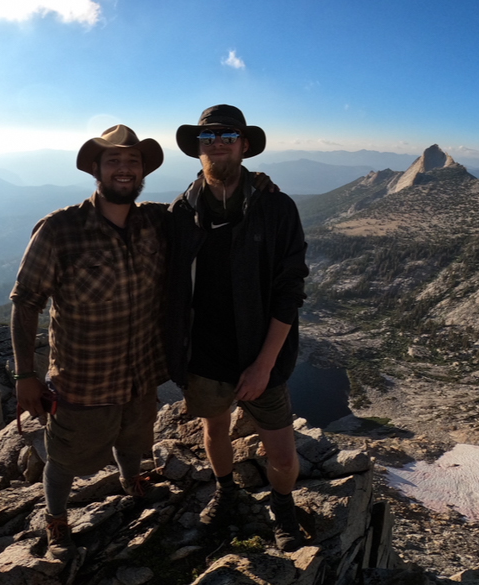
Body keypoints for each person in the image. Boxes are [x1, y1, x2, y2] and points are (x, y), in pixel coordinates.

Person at [10, 125, 170, 560]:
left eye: (132, 161)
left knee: (135, 435)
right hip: (84, 379)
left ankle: (131, 479)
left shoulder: (156, 221)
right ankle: (56, 519)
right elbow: (26, 302)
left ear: (143, 172)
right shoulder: (60, 230)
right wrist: (25, 375)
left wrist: (255, 184)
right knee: (65, 457)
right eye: (114, 160)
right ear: (96, 169)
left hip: (142, 371)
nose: (124, 168)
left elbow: (210, 203)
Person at [167, 104, 309, 551]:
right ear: (197, 148)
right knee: (214, 429)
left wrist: (264, 364)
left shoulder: (276, 207)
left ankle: (282, 506)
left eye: (228, 135)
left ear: (245, 146)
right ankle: (226, 489)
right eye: (207, 137)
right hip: (205, 353)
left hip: (261, 355)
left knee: (283, 453)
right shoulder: (179, 212)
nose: (217, 144)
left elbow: (290, 290)